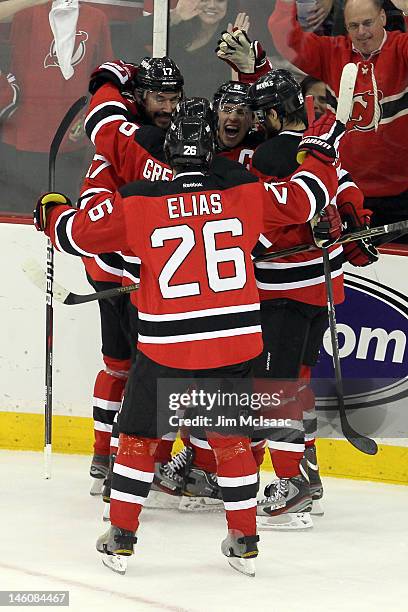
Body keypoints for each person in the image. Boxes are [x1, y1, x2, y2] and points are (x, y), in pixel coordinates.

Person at [34, 110, 341, 575]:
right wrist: (320, 151)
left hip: (166, 344)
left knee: (139, 436)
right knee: (232, 438)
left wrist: (51, 209)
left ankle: (121, 535)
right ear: (211, 152)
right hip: (232, 343)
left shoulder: (138, 202)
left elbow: (75, 235)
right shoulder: (245, 195)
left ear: (169, 154)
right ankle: (244, 538)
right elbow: (306, 198)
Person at [242, 68, 378, 527]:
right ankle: (308, 472)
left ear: (276, 114)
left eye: (262, 113)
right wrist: (349, 222)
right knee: (295, 384)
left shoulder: (271, 152)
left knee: (275, 388)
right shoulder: (322, 146)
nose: (257, 121)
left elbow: (268, 221)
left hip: (281, 293)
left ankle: (290, 484)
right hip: (321, 289)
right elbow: (343, 186)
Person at [83, 57, 185, 494]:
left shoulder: (137, 137)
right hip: (119, 276)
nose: (168, 105)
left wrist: (111, 74)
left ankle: (121, 458)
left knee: (139, 369)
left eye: (174, 97)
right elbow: (93, 214)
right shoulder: (128, 145)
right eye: (159, 97)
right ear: (140, 98)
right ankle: (109, 456)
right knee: (129, 367)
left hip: (144, 276)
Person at [268, 0, 408, 241]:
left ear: (383, 18)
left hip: (402, 192)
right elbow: (285, 37)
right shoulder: (331, 52)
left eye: (368, 23)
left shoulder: (400, 47)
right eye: (354, 26)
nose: (362, 32)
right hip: (348, 192)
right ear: (345, 26)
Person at [0, 0, 113, 214]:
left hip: (71, 137)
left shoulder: (95, 17)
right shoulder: (24, 12)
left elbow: (103, 74)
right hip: (21, 136)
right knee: (18, 211)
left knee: (64, 210)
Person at [121, 0, 249, 97]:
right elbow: (138, 33)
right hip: (166, 106)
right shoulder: (179, 26)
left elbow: (238, 89)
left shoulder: (233, 35)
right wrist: (177, 15)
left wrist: (237, 59)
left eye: (220, 0)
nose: (212, 5)